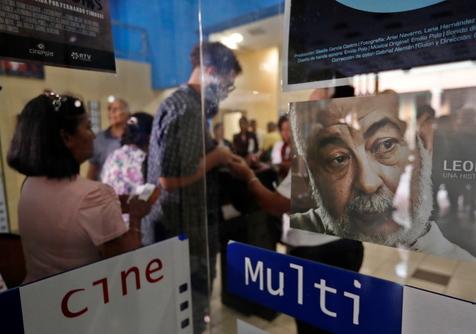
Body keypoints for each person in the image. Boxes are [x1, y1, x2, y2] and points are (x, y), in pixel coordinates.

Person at [290, 93, 474, 261]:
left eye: (386, 145)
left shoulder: (462, 269)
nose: (368, 184)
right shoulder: (295, 235)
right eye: (338, 159)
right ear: (308, 175)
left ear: (425, 143)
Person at [142, 41, 242, 333]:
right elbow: (169, 179)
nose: (226, 91)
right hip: (182, 234)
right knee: (189, 316)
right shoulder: (187, 110)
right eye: (227, 83)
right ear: (210, 72)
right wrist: (219, 156)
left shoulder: (186, 106)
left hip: (183, 233)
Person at [7, 93, 150, 284]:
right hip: (83, 301)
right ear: (66, 137)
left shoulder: (29, 184)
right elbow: (127, 266)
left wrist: (113, 206)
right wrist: (135, 216)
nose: (92, 136)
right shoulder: (94, 194)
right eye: (88, 127)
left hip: (41, 299)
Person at [101, 112, 154, 196]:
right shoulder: (145, 159)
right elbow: (146, 196)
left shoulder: (113, 156)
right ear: (150, 135)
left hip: (110, 206)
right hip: (135, 207)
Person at [87, 97, 130, 180]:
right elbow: (92, 170)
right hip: (106, 190)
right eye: (109, 109)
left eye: (116, 109)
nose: (111, 112)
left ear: (127, 113)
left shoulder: (135, 138)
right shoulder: (99, 139)